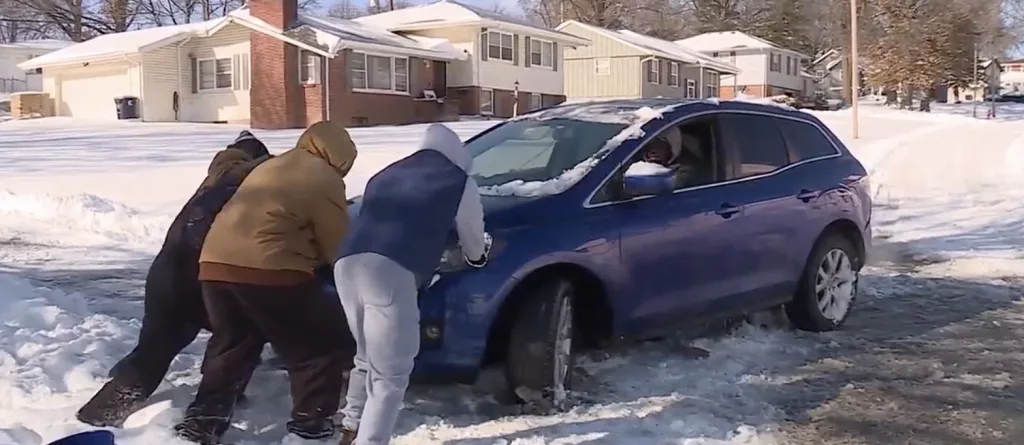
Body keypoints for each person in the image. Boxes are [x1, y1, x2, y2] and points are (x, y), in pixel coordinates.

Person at [173, 121, 358, 445]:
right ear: (340, 157)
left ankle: (201, 425)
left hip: (215, 266)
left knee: (232, 345)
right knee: (316, 347)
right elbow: (338, 245)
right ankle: (310, 428)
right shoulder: (324, 177)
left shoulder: (272, 165)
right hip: (269, 270)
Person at [75, 131, 272, 428]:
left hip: (166, 279)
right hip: (204, 282)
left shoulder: (208, 186)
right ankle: (209, 412)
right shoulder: (244, 189)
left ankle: (99, 415)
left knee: (153, 352)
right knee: (238, 340)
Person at [333, 123, 490, 445]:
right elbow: (472, 237)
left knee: (366, 357)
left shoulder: (387, 173)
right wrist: (476, 258)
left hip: (347, 263)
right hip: (389, 271)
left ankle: (350, 428)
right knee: (391, 374)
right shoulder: (457, 180)